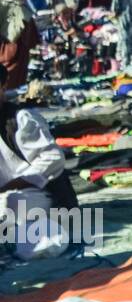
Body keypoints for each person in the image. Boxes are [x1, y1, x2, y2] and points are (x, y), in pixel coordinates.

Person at [0, 63, 79, 260]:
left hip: (33, 193)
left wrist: (13, 184)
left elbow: (53, 158)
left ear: (2, 87)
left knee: (11, 204)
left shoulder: (21, 118)